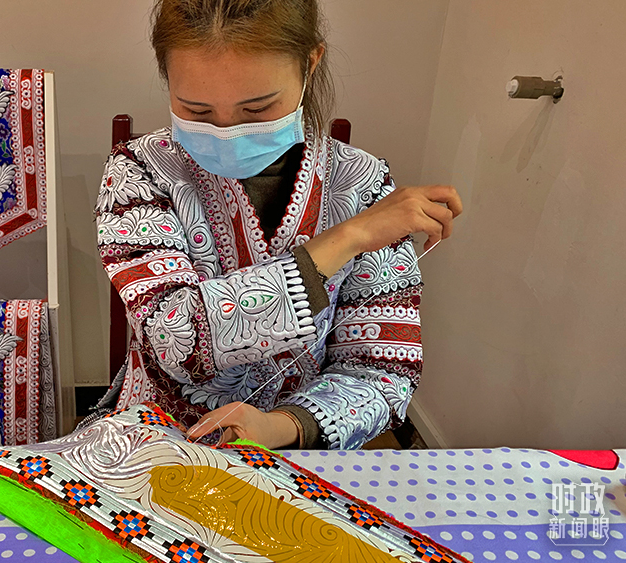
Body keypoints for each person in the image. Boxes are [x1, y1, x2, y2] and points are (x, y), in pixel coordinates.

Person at [90, 0, 463, 450]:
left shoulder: (362, 184)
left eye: (257, 109)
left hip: (300, 447)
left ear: (311, 62)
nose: (227, 132)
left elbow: (383, 369)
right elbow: (176, 338)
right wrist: (347, 238)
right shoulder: (138, 172)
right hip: (157, 437)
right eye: (197, 111)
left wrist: (282, 427)